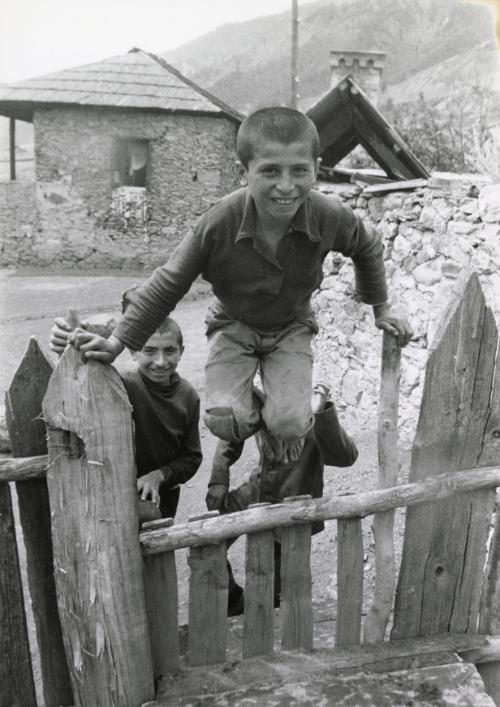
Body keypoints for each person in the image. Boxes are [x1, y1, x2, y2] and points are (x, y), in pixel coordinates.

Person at [67, 107, 412, 465]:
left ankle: (294, 409)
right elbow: (168, 282)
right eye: (269, 171)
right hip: (233, 326)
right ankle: (266, 412)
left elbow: (367, 245)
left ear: (316, 167)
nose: (285, 185)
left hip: (291, 327)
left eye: (299, 171)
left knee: (291, 425)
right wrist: (117, 342)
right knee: (225, 422)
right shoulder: (219, 222)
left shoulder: (328, 215)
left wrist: (381, 307)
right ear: (242, 171)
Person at [206, 381, 358, 614]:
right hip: (256, 489)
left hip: (294, 505)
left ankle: (273, 623)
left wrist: (321, 411)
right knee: (209, 543)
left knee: (278, 589)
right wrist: (219, 476)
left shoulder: (310, 408)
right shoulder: (262, 396)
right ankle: (233, 599)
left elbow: (346, 457)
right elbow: (234, 429)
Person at [50, 311, 202, 522]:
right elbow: (80, 387)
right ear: (133, 351)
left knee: (156, 547)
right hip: (111, 495)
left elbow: (192, 458)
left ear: (181, 351)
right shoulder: (121, 385)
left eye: (169, 351)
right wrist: (66, 351)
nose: (160, 361)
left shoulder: (188, 396)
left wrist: (159, 475)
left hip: (161, 497)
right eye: (149, 351)